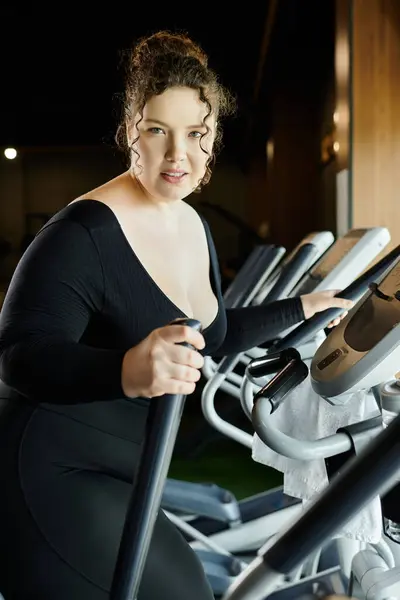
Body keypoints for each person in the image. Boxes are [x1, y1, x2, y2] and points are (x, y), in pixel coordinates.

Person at [0, 30, 354, 600]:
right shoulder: (82, 232)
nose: (177, 155)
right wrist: (125, 369)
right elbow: (21, 357)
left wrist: (302, 309)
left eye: (196, 134)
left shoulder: (193, 224)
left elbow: (213, 335)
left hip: (126, 472)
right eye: (157, 131)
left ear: (213, 139)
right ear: (129, 133)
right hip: (50, 472)